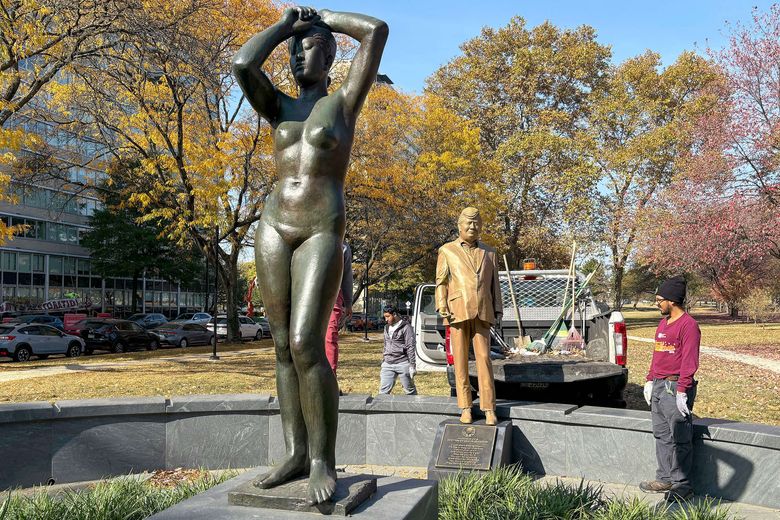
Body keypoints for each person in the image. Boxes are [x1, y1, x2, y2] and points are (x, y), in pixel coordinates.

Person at [232, 5, 387, 505]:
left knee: (305, 342)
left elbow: (375, 31)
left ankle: (323, 458)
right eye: (294, 51)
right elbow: (241, 65)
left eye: (309, 47)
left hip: (321, 226)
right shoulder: (277, 107)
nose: (299, 56)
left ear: (330, 55)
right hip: (275, 225)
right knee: (280, 346)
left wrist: (320, 17)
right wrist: (284, 27)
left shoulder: (343, 103)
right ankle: (296, 452)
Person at [435, 207, 501, 426]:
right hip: (457, 311)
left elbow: (495, 285)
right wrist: (441, 305)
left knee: (484, 359)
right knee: (461, 361)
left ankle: (489, 407)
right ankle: (465, 407)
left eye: (476, 224)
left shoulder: (490, 252)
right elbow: (441, 282)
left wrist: (498, 310)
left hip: (483, 310)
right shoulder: (447, 251)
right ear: (459, 226)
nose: (473, 228)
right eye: (468, 224)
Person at [640, 275, 701, 502]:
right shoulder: (663, 324)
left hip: (675, 387)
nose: (657, 303)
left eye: (660, 299)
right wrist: (649, 379)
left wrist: (683, 390)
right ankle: (664, 478)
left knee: (680, 439)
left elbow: (690, 361)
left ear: (672, 301)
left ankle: (682, 485)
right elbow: (658, 355)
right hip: (658, 385)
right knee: (662, 435)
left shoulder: (689, 326)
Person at [325, 242, 353, 379]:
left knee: (330, 336)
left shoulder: (343, 247)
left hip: (333, 293)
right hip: (305, 292)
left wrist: (348, 302)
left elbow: (347, 275)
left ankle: (330, 379)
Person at [378, 305, 417, 395]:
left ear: (394, 314)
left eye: (388, 316)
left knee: (410, 391)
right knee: (383, 392)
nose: (386, 319)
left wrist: (412, 365)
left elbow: (410, 346)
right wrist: (384, 359)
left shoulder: (406, 327)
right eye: (385, 317)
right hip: (388, 363)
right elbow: (385, 344)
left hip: (403, 363)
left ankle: (414, 408)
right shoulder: (386, 327)